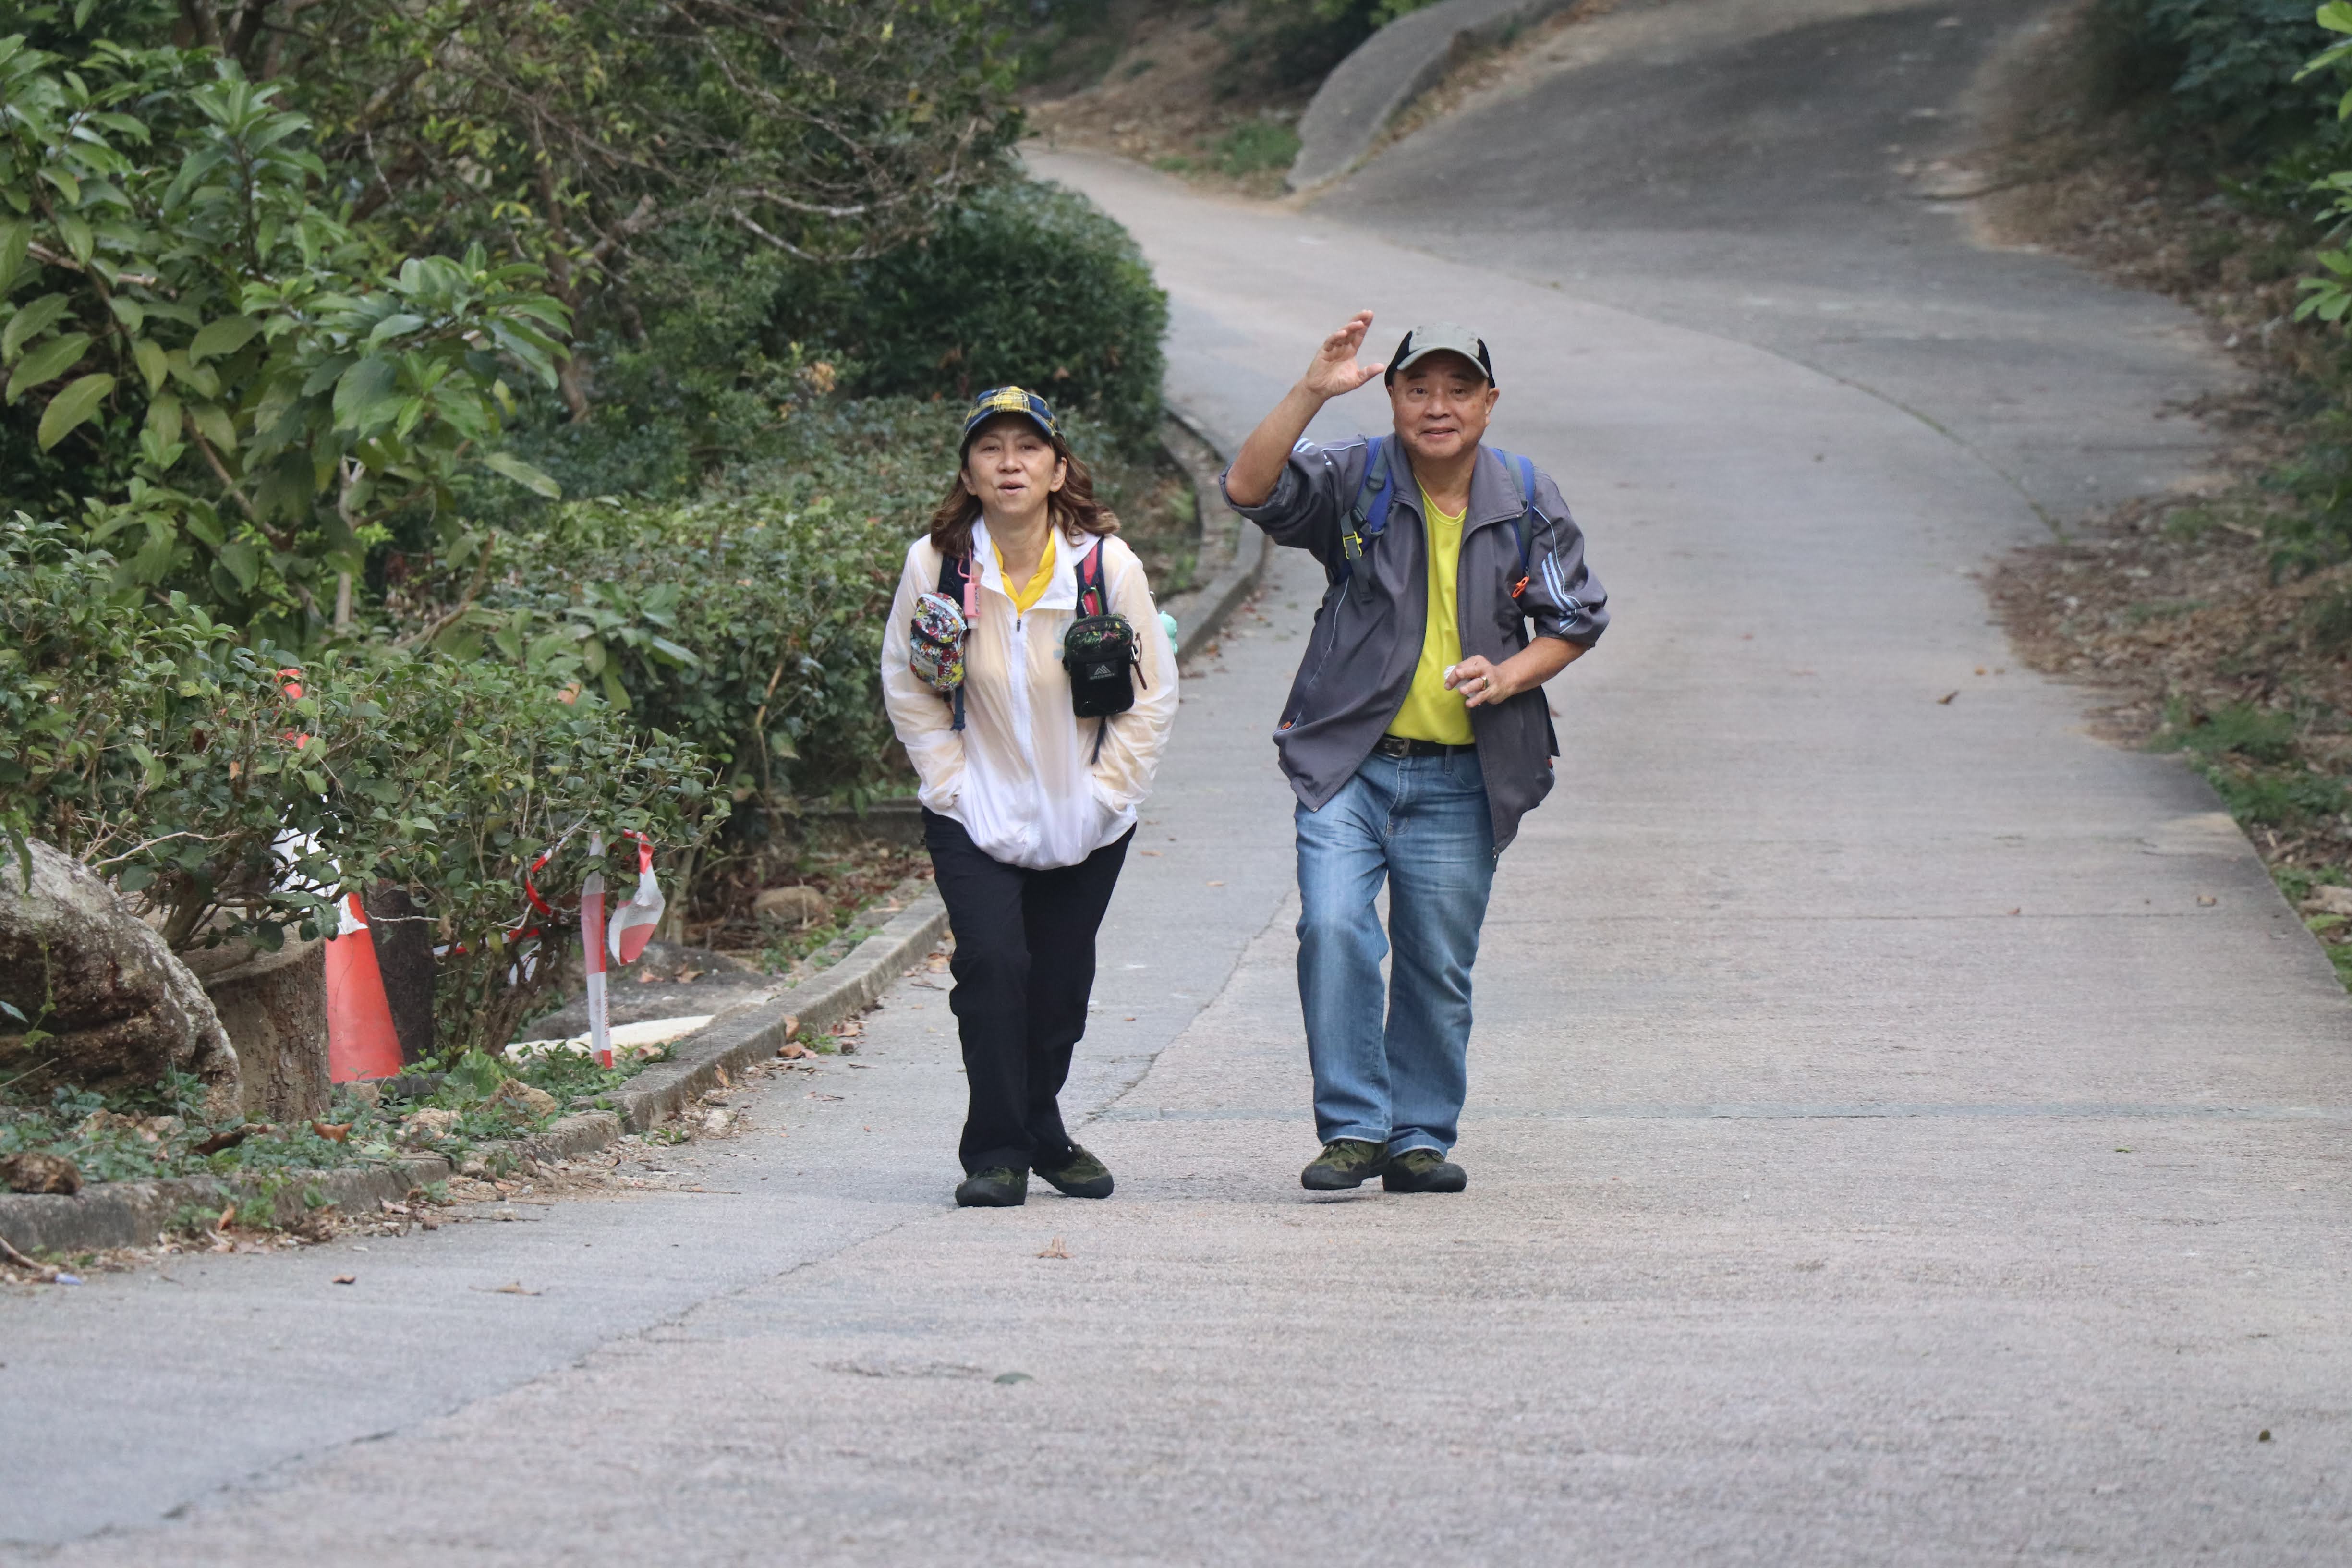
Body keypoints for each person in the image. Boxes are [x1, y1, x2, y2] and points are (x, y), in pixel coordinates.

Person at [1221, 314, 1608, 1194]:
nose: (1439, 406)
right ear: (1392, 396)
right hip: (1348, 765)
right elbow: (1249, 487)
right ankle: (1353, 1128)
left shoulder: (1524, 496)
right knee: (1332, 927)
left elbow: (1575, 618)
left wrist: (1508, 675)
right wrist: (1312, 390)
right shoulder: (1354, 476)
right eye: (1419, 388)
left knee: (1435, 962)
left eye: (1458, 390)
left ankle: (1419, 1136)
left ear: (1488, 402)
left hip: (1464, 775)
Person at [881, 387, 1179, 1208]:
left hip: (1086, 811)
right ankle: (997, 1152)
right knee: (991, 966)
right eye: (990, 449)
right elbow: (906, 680)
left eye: (1027, 448)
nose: (1009, 464)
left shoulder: (1104, 568)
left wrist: (1105, 794)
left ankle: (1041, 1129)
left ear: (1056, 469)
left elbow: (1152, 694)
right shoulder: (935, 566)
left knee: (1057, 990)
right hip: (971, 809)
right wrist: (950, 782)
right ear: (968, 474)